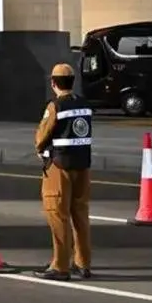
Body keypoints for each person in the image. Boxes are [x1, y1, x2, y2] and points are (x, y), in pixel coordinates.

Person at [32, 63, 94, 280]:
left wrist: (40, 149)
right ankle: (83, 262)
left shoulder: (55, 106)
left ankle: (60, 266)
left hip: (60, 166)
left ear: (53, 83)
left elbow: (42, 136)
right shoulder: (84, 104)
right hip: (83, 165)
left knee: (58, 214)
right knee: (80, 215)